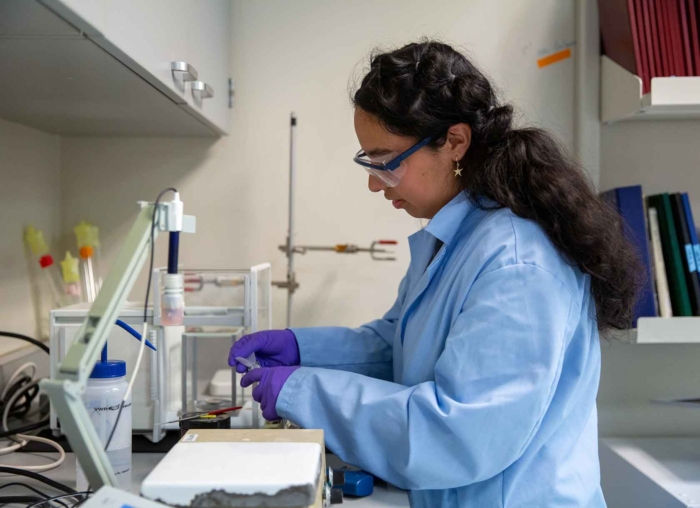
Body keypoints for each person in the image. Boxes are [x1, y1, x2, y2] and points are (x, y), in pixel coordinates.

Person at [229, 40, 639, 507]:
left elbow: (459, 432)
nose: (373, 182)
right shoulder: (459, 237)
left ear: (455, 142)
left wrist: (302, 388)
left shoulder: (518, 263)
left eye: (385, 162)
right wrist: (303, 351)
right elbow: (398, 345)